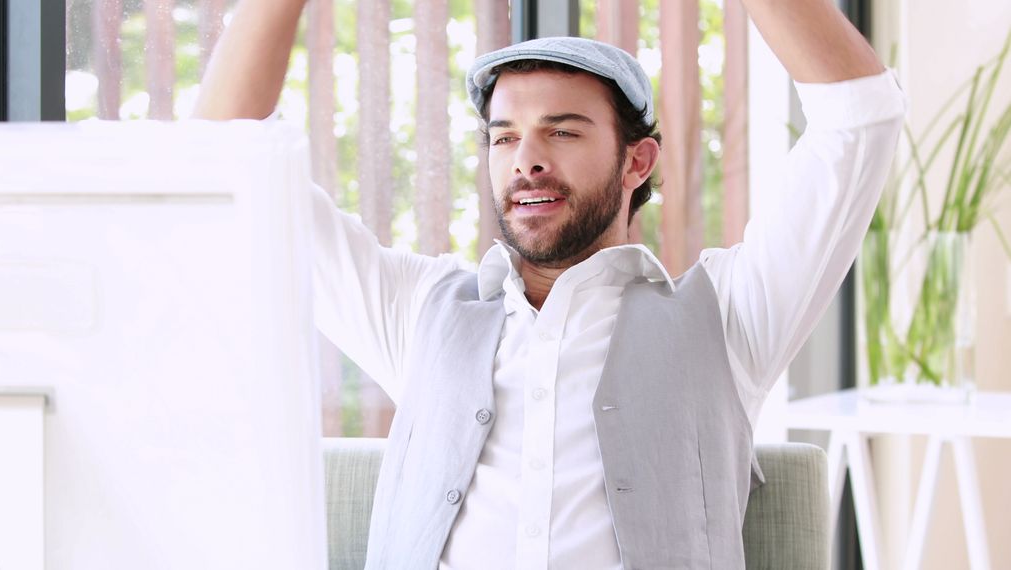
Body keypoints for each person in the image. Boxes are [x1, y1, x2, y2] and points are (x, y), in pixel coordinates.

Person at [196, 1, 905, 567]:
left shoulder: (728, 316)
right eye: (504, 137)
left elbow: (860, 121)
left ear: (637, 163)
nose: (525, 160)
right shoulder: (418, 311)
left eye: (562, 132)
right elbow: (225, 157)